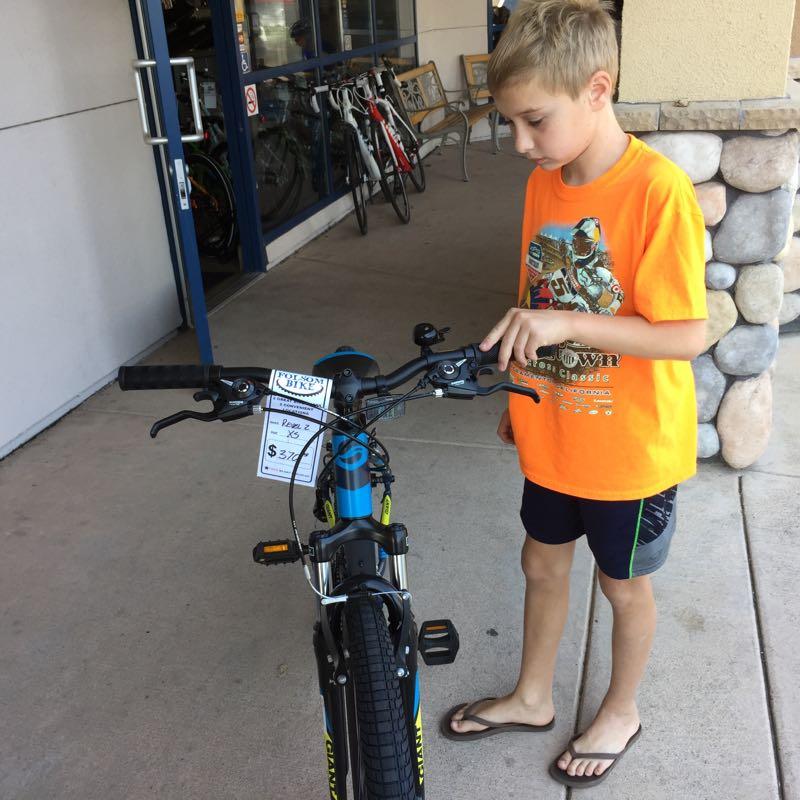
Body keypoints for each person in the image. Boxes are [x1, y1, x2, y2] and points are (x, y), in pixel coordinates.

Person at [440, 0, 707, 789]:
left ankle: (622, 708)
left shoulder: (657, 193)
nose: (522, 145)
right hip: (553, 432)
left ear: (597, 90)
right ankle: (532, 695)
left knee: (623, 587)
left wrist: (564, 321)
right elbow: (536, 295)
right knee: (541, 563)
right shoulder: (547, 184)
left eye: (534, 122)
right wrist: (518, 394)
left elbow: (686, 334)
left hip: (627, 451)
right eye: (510, 126)